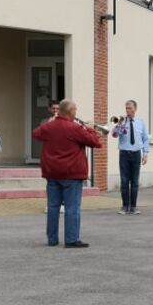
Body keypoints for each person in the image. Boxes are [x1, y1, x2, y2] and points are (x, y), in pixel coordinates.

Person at [32, 99, 102, 248]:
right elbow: (96, 142)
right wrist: (89, 128)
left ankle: (52, 239)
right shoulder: (75, 128)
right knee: (72, 208)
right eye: (75, 110)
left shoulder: (49, 127)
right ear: (70, 112)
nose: (76, 113)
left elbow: (36, 134)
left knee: (53, 207)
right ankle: (71, 240)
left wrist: (48, 123)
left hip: (52, 173)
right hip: (72, 174)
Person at [112, 99, 149, 215]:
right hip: (124, 154)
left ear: (135, 109)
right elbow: (114, 134)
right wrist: (119, 125)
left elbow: (145, 139)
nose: (128, 110)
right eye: (126, 108)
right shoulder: (122, 122)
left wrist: (146, 153)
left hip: (136, 153)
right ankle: (124, 206)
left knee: (135, 182)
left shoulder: (140, 122)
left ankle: (133, 206)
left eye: (130, 108)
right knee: (124, 181)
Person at [41, 100, 65, 214]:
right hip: (50, 156)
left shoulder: (65, 121)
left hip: (61, 155)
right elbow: (41, 134)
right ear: (49, 109)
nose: (55, 111)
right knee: (51, 183)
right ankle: (51, 204)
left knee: (63, 182)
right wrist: (51, 122)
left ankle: (62, 203)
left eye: (57, 109)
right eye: (53, 109)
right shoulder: (45, 121)